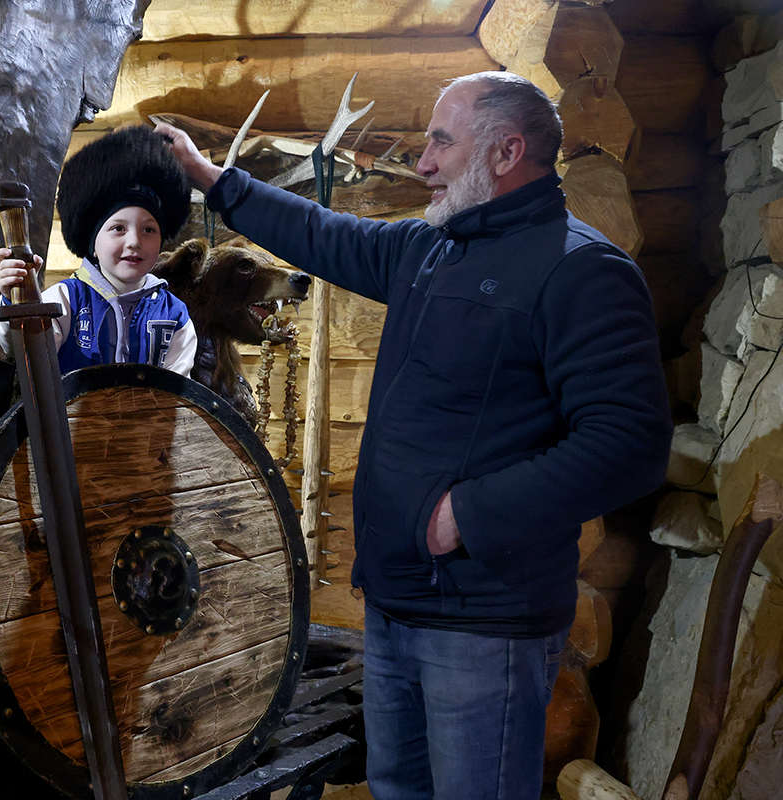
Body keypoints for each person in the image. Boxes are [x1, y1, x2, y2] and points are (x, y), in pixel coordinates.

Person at [157, 71, 673, 799]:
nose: (423, 160)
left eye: (440, 140)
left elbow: (630, 444)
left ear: (505, 151)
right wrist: (216, 180)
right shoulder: (433, 250)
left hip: (486, 623)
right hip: (398, 605)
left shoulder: (581, 270)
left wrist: (470, 514)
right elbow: (322, 234)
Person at [0, 125, 198, 376]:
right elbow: (25, 348)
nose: (134, 242)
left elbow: (180, 395)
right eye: (118, 229)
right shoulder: (65, 301)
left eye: (149, 230)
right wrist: (17, 297)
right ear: (93, 243)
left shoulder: (174, 314)